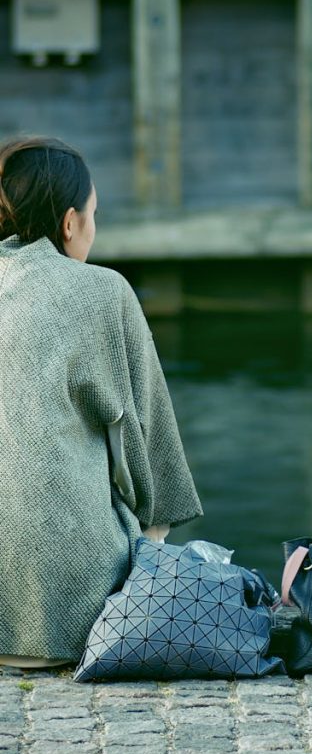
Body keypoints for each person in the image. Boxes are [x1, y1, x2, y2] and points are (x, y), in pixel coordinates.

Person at [0, 137, 202, 668]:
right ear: (70, 223)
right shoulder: (100, 291)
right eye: (94, 215)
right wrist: (155, 535)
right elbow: (147, 439)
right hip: (73, 612)